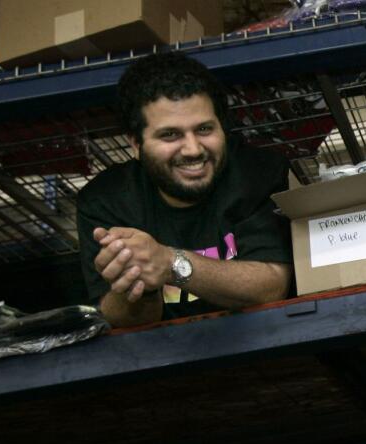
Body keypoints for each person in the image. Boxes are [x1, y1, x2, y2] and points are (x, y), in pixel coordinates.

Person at [77, 52, 293, 328]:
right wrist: (139, 281)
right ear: (135, 144)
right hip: (164, 359)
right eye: (170, 135)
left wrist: (168, 262)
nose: (193, 149)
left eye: (204, 129)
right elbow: (120, 320)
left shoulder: (258, 172)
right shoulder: (104, 201)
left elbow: (271, 287)